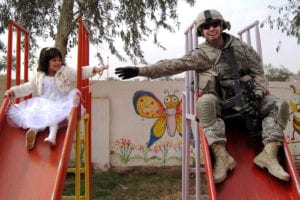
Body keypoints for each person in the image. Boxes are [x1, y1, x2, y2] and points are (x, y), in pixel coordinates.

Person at [115, 9, 290, 183]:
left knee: (280, 105)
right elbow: (172, 65)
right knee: (204, 102)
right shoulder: (202, 54)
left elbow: (258, 71)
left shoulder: (242, 48)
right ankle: (222, 158)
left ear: (222, 25)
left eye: (215, 24)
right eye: (206, 27)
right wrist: (140, 70)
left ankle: (269, 154)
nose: (211, 28)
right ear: (202, 31)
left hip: (250, 101)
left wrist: (258, 94)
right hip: (221, 106)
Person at [5, 47, 108, 150]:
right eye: (54, 60)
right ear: (46, 62)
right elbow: (27, 87)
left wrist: (94, 69)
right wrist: (13, 91)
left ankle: (52, 137)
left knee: (54, 114)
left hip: (59, 102)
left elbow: (79, 73)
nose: (58, 63)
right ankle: (32, 132)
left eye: (59, 60)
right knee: (36, 114)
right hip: (43, 103)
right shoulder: (39, 76)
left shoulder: (65, 71)